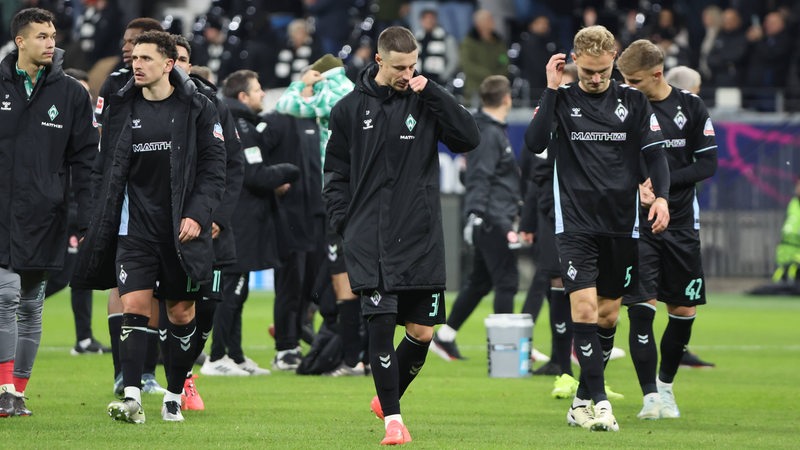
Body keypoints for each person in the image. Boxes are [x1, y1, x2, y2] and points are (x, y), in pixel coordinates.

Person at [323, 26, 480, 445]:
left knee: (422, 333)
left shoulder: (426, 101)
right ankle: (394, 419)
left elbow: (469, 138)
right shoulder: (348, 110)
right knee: (381, 326)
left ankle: (386, 398)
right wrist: (344, 221)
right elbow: (334, 173)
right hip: (369, 237)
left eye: (412, 66)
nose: (406, 73)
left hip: (420, 236)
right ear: (379, 61)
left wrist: (434, 91)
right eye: (398, 67)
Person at [73, 30, 226, 424]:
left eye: (145, 58)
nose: (136, 64)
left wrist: (198, 214)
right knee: (134, 306)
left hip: (180, 230)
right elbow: (102, 167)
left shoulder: (198, 107)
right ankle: (132, 395)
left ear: (169, 64)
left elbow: (214, 168)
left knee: (180, 312)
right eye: (134, 58)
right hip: (133, 228)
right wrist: (94, 219)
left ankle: (174, 393)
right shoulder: (121, 106)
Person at [523, 25, 671, 432]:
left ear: (613, 60)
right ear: (574, 60)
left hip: (622, 225)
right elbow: (534, 143)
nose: (595, 78)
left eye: (603, 70)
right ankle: (601, 401)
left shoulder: (634, 102)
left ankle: (581, 400)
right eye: (587, 70)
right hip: (575, 224)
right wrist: (550, 89)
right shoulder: (562, 99)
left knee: (607, 318)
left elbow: (657, 157)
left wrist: (660, 197)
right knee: (584, 309)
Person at [0, 7, 98, 417]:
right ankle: (4, 386)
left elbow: (87, 161)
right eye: (41, 35)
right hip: (2, 211)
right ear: (20, 40)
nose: (51, 41)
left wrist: (87, 215)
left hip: (46, 214)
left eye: (53, 35)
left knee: (30, 305)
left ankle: (17, 392)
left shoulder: (72, 94)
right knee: (5, 295)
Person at [616, 39, 718, 420]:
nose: (626, 85)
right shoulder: (623, 107)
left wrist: (661, 185)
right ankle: (649, 398)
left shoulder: (690, 107)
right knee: (640, 309)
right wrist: (635, 185)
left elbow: (707, 165)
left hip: (680, 225)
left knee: (683, 310)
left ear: (657, 75)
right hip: (636, 225)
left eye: (634, 80)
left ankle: (666, 387)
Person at [274, 53, 365, 376]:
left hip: (342, 191)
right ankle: (360, 355)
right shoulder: (353, 89)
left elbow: (288, 105)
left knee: (343, 277)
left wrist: (303, 83)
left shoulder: (331, 90)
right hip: (358, 191)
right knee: (354, 273)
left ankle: (352, 358)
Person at [170, 36, 246, 412]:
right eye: (176, 58)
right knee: (171, 306)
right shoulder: (148, 104)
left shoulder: (213, 104)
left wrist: (214, 217)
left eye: (185, 58)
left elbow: (232, 166)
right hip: (168, 229)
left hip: (212, 229)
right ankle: (177, 381)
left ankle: (183, 372)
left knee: (209, 306)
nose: (180, 64)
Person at [94, 16, 168, 399]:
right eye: (125, 42)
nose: (127, 49)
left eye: (136, 42)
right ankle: (123, 372)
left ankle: (149, 372)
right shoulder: (114, 84)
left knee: (156, 292)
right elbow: (103, 142)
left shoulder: (178, 93)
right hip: (121, 204)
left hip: (160, 208)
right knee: (120, 286)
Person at [430, 75, 520, 361]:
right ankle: (506, 353)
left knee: (481, 281)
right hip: (492, 218)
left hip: (491, 214)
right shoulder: (490, 134)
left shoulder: (487, 130)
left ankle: (445, 336)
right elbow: (480, 177)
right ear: (507, 98)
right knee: (507, 281)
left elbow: (470, 173)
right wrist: (477, 215)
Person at [43, 67, 111, 356]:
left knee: (80, 276)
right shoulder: (55, 126)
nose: (84, 96)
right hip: (61, 210)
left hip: (83, 212)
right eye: (78, 90)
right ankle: (14, 309)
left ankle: (84, 339)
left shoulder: (93, 126)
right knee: (63, 275)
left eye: (87, 90)